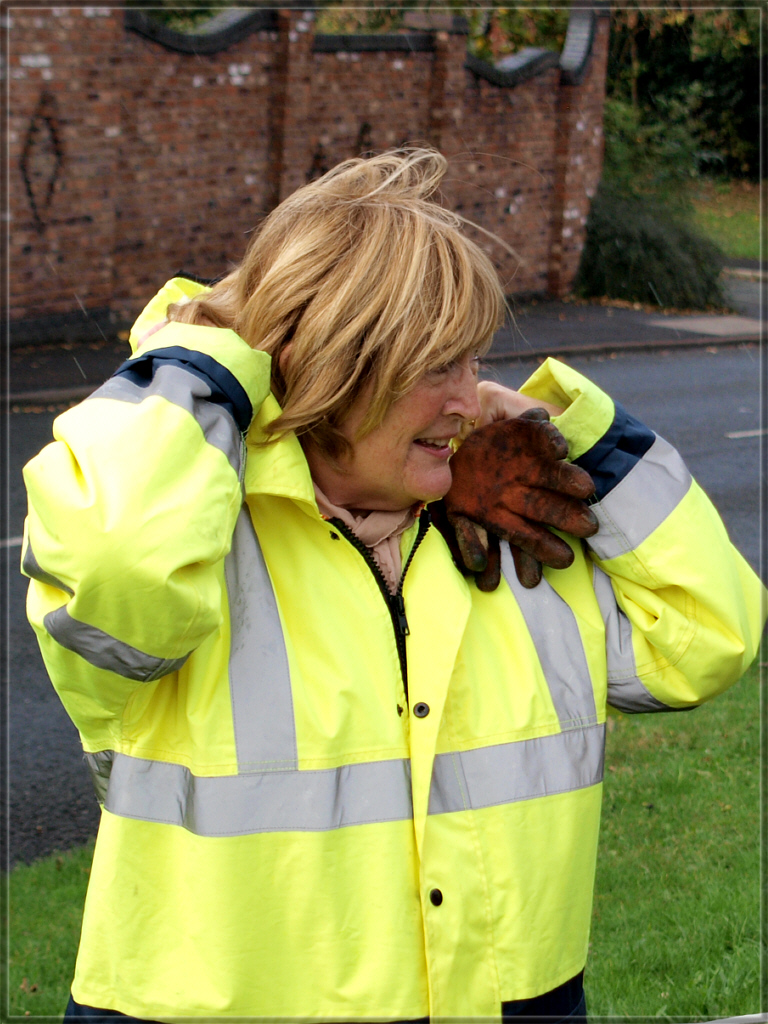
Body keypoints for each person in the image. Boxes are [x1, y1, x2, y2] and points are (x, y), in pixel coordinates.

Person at [22, 150, 763, 1024]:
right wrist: (208, 351)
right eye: (434, 367)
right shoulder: (202, 549)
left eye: (473, 361)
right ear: (330, 366)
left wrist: (574, 436)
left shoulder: (501, 532)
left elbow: (710, 635)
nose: (466, 399)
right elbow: (117, 568)